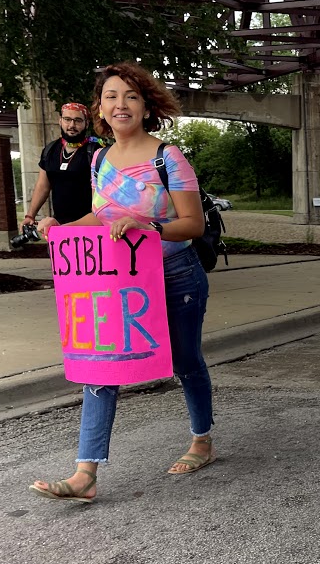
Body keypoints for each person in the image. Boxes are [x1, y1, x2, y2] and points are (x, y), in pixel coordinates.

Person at [29, 62, 215, 502]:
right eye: (111, 96)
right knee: (102, 365)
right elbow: (102, 217)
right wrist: (63, 226)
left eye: (130, 96)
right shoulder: (98, 158)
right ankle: (85, 473)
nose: (120, 104)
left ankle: (202, 440)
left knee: (185, 361)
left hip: (175, 275)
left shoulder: (167, 156)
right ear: (100, 108)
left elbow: (193, 223)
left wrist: (146, 226)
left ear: (146, 105)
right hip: (119, 279)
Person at [23, 103, 101, 227]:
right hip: (58, 226)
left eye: (78, 120)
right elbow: (43, 185)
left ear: (86, 124)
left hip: (89, 227)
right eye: (67, 119)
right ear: (60, 121)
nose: (72, 125)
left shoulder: (95, 152)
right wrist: (30, 215)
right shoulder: (50, 150)